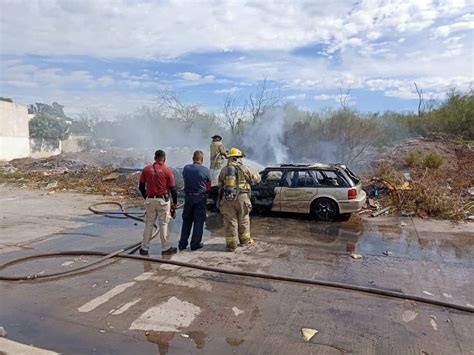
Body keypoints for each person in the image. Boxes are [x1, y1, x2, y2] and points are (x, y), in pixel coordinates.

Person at [218, 147, 261, 252]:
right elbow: (257, 178)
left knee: (230, 221)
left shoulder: (224, 170)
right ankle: (245, 240)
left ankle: (231, 245)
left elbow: (220, 183)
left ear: (230, 158)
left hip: (228, 199)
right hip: (243, 197)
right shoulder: (245, 168)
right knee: (244, 219)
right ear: (238, 158)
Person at [138, 150, 178, 256]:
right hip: (163, 201)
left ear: (155, 158)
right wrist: (174, 203)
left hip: (150, 200)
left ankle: (144, 248)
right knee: (164, 224)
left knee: (148, 225)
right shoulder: (167, 170)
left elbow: (141, 186)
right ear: (164, 159)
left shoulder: (146, 169)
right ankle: (166, 248)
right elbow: (173, 189)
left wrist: (146, 197)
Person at [178, 150, 211, 251]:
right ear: (202, 159)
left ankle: (182, 244)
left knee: (187, 220)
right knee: (199, 221)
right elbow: (208, 185)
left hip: (188, 197)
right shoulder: (205, 170)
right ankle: (195, 244)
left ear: (193, 158)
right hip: (200, 198)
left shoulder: (186, 168)